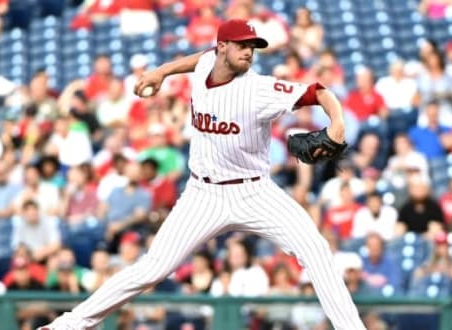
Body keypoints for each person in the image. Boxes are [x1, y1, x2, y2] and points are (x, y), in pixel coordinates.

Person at [40, 19, 366, 330]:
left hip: (255, 193)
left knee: (316, 249)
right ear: (221, 47)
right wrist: (162, 72)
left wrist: (336, 123)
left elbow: (319, 91)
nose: (249, 52)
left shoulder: (259, 90)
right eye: (242, 46)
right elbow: (199, 60)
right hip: (203, 195)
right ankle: (69, 324)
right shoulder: (205, 64)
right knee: (153, 268)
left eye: (253, 47)